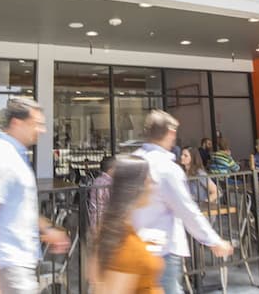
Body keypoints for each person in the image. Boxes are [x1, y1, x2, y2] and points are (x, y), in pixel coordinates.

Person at [0, 97, 70, 294]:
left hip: (12, 266)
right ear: (16, 123)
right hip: (6, 268)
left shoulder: (11, 155)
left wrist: (47, 228)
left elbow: (14, 208)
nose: (43, 130)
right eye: (37, 124)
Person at [133, 110, 233, 294]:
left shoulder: (133, 161)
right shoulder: (167, 168)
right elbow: (187, 210)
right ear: (170, 133)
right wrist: (213, 240)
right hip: (163, 251)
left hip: (134, 249)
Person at [91, 155, 164, 293]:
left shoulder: (112, 231)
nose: (152, 182)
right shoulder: (126, 246)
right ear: (136, 186)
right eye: (148, 178)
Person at [88, 156, 115, 233]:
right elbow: (112, 202)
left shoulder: (97, 180)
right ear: (111, 169)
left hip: (94, 218)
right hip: (104, 220)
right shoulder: (108, 183)